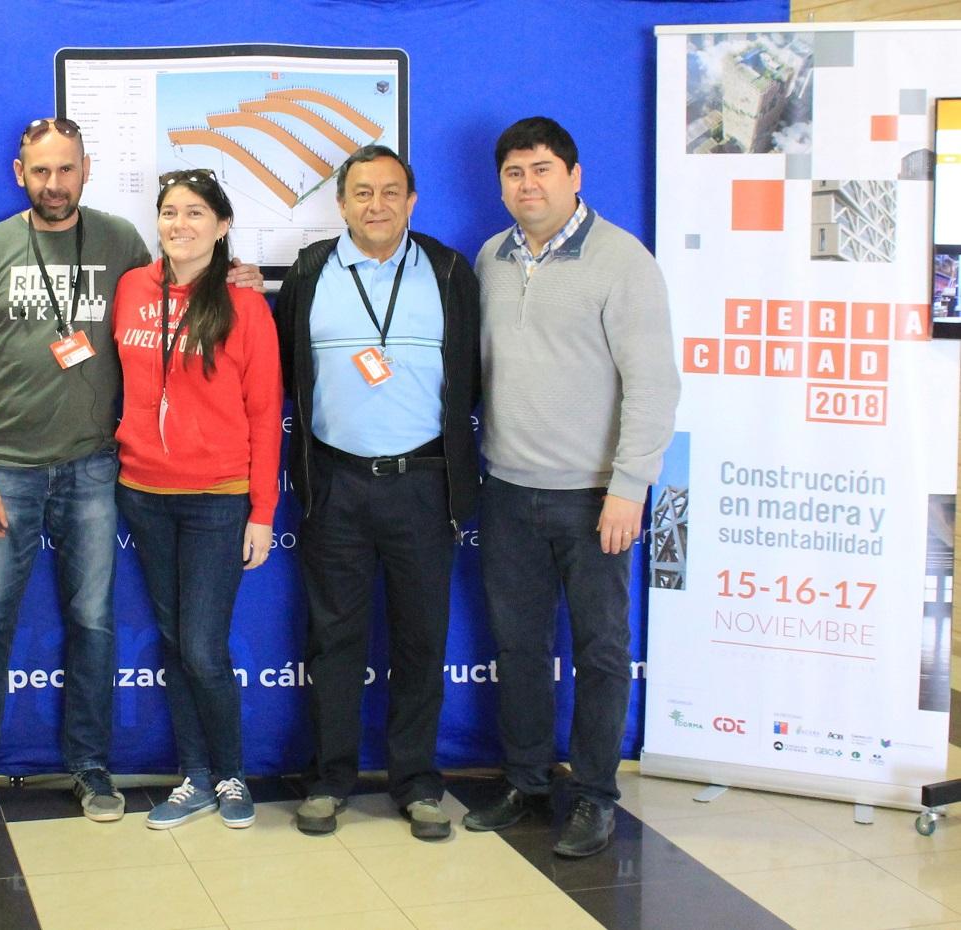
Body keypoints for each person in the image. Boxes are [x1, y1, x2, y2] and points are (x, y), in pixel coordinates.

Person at [0, 117, 259, 828]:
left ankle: (90, 766)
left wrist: (237, 275)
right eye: (40, 171)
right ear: (20, 174)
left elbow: (186, 285)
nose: (54, 184)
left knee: (93, 622)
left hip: (97, 467)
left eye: (66, 169)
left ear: (86, 169)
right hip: (6, 466)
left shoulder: (119, 242)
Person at [460, 117, 678, 858]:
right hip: (509, 491)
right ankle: (526, 779)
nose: (529, 184)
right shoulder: (491, 257)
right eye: (516, 172)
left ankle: (593, 794)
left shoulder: (623, 260)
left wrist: (630, 487)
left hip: (594, 498)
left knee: (600, 651)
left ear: (576, 176)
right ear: (501, 184)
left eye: (543, 169)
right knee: (519, 648)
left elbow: (654, 385)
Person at [274, 145, 481, 841]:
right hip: (336, 482)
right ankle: (330, 778)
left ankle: (417, 781)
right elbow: (284, 373)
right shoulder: (309, 273)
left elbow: (474, 374)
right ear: (341, 204)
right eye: (362, 193)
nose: (377, 205)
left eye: (391, 192)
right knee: (334, 637)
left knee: (421, 638)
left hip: (425, 483)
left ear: (412, 201)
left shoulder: (450, 271)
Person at [113, 170, 282, 830]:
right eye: (168, 212)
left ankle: (234, 774)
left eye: (194, 212)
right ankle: (196, 777)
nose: (178, 223)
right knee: (176, 642)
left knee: (204, 648)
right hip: (144, 494)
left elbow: (266, 412)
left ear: (221, 225)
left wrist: (263, 511)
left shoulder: (245, 304)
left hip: (216, 499)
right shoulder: (130, 289)